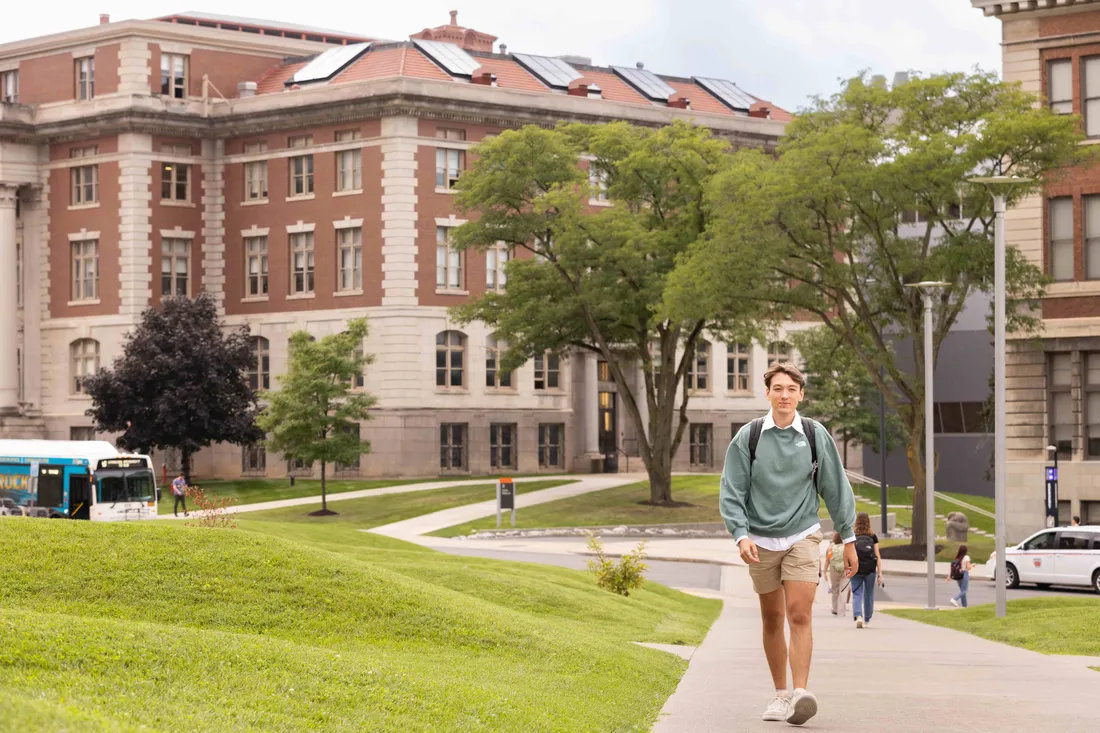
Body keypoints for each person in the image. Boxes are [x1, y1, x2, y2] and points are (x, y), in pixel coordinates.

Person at [720, 362, 857, 727]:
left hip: (802, 534)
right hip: (760, 539)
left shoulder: (814, 434)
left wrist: (849, 539)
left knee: (799, 612)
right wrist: (741, 534)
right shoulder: (748, 437)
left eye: (791, 389)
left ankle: (800, 693)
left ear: (800, 394)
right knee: (772, 617)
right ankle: (780, 694)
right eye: (777, 388)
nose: (784, 395)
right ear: (767, 393)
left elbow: (836, 488)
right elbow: (732, 492)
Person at [850, 512, 883, 628]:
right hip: (870, 570)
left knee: (856, 593)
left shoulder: (853, 535)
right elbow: (877, 555)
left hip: (856, 568)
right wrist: (880, 573)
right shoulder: (873, 536)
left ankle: (858, 615)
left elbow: (850, 553)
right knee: (869, 594)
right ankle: (867, 619)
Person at [822, 532, 847, 616]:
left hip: (834, 569)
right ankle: (842, 609)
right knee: (843, 590)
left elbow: (827, 561)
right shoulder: (845, 547)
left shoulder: (830, 548)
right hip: (844, 569)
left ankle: (835, 608)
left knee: (835, 589)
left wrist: (824, 571)